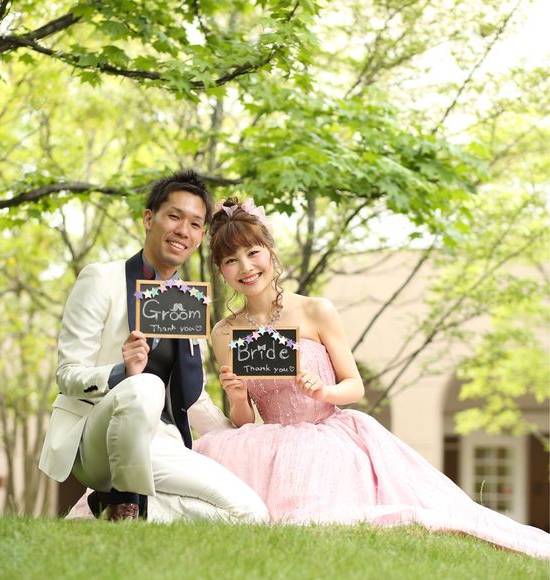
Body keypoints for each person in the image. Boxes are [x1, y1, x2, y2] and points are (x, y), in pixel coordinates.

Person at [192, 197, 550, 558]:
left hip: (325, 433)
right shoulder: (224, 333)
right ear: (221, 270)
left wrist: (322, 390)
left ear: (270, 252)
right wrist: (236, 396)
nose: (246, 267)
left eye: (253, 252)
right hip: (267, 441)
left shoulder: (315, 310)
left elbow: (354, 386)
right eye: (231, 260)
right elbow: (244, 421)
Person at [39, 171, 268, 523]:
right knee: (145, 385)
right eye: (174, 216)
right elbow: (68, 375)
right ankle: (124, 499)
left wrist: (241, 436)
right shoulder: (102, 279)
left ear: (200, 236)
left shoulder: (189, 302)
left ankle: (126, 510)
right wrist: (121, 373)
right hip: (98, 436)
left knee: (250, 513)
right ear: (149, 218)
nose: (183, 230)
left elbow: (193, 400)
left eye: (195, 224)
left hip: (162, 441)